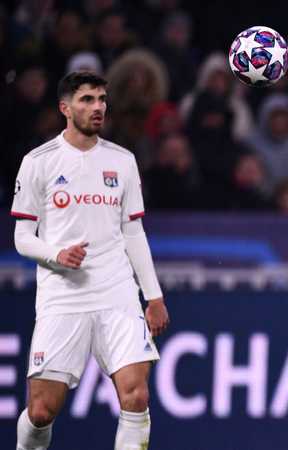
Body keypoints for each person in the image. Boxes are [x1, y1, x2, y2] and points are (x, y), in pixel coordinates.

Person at [11, 71, 169, 450]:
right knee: (42, 410)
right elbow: (21, 238)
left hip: (116, 294)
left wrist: (154, 296)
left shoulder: (123, 161)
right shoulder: (39, 162)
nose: (97, 107)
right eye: (86, 100)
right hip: (62, 298)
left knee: (137, 397)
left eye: (101, 99)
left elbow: (133, 233)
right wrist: (56, 254)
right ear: (65, 108)